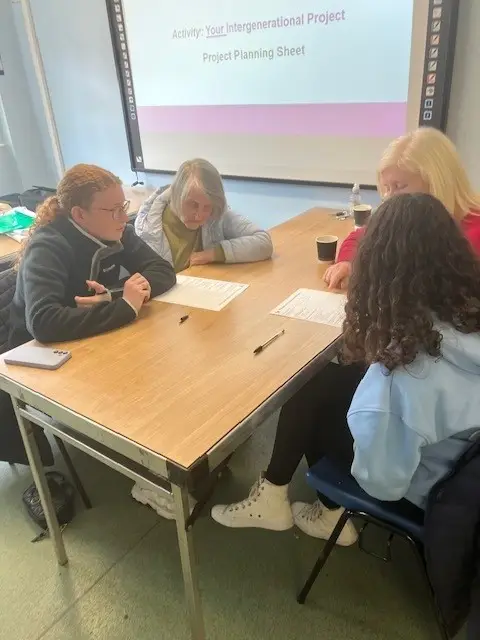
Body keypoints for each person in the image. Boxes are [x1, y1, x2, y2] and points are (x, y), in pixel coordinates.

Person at [211, 193, 480, 550]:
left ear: (374, 273)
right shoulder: (465, 317)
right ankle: (276, 492)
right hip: (461, 463)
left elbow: (382, 483)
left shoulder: (400, 378)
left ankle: (324, 512)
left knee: (313, 394)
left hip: (435, 492)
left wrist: (362, 418)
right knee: (325, 380)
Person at [10, 163, 176, 348]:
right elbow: (43, 321)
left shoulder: (118, 231)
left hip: (89, 336)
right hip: (36, 351)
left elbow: (163, 270)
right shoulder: (47, 247)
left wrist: (112, 296)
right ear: (80, 214)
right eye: (114, 210)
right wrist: (124, 306)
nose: (124, 217)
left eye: (123, 207)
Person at [325, 127, 480, 290]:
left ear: (436, 183)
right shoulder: (409, 219)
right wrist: (348, 263)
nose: (389, 197)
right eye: (386, 188)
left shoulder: (472, 237)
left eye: (399, 186)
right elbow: (360, 237)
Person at [135, 158, 273, 272]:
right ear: (176, 194)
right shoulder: (147, 228)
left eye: (207, 207)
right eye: (193, 205)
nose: (199, 216)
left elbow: (263, 242)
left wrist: (213, 254)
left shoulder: (217, 214)